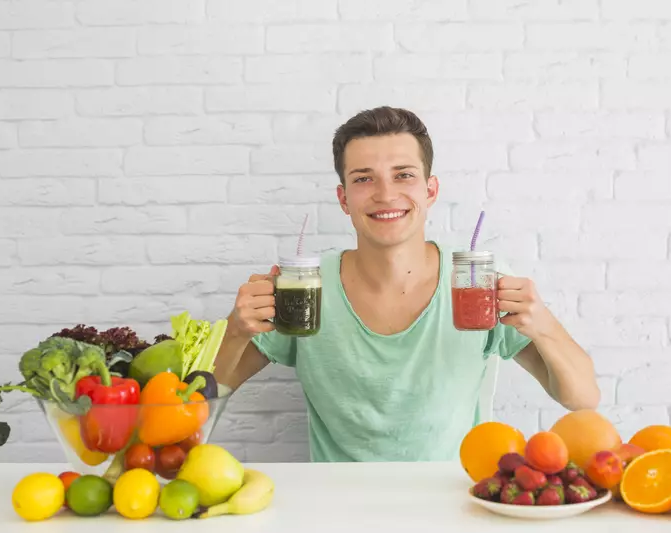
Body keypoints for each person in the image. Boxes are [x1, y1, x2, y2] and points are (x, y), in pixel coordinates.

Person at [214, 106, 600, 462]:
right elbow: (206, 398)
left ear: (430, 190)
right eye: (364, 179)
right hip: (337, 510)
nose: (385, 194)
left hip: (454, 508)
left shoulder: (477, 280)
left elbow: (582, 397)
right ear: (343, 198)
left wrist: (543, 323)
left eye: (404, 175)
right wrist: (235, 331)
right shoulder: (304, 288)